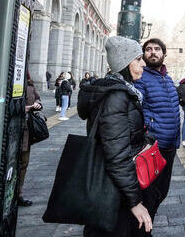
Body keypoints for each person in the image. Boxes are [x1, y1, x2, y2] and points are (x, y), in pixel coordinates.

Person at [77, 36, 154, 236]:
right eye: (138, 59)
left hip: (117, 186)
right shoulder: (116, 97)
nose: (143, 64)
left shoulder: (123, 92)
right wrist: (134, 201)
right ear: (125, 63)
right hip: (115, 192)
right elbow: (117, 155)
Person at [134, 38, 180, 223]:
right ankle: (142, 229)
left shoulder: (168, 79)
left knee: (162, 192)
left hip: (170, 147)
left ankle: (146, 224)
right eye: (148, 49)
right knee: (149, 194)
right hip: (153, 147)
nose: (153, 52)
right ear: (144, 55)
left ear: (164, 53)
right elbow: (137, 109)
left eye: (157, 49)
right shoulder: (141, 77)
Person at [18, 72, 43, 207]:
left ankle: (19, 194)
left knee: (23, 163)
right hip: (13, 130)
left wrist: (37, 104)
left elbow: (38, 99)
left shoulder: (30, 86)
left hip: (26, 132)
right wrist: (24, 108)